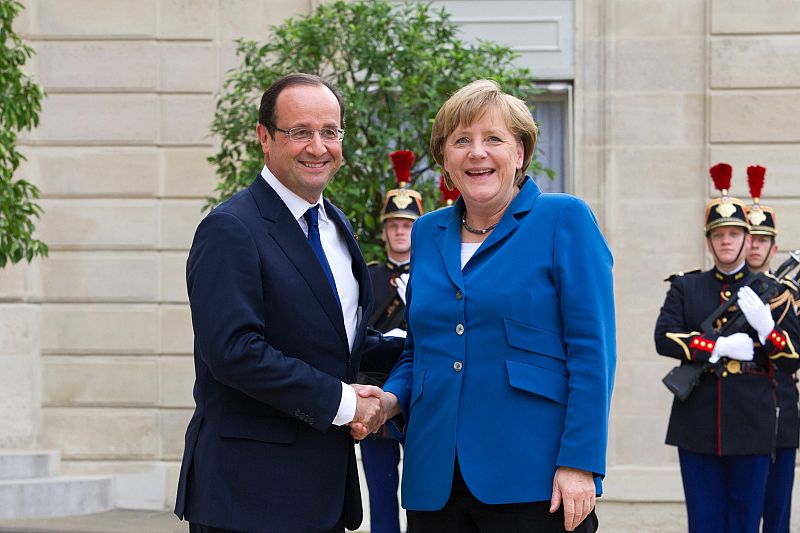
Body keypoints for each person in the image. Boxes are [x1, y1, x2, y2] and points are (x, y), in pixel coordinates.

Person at [354, 79, 616, 533]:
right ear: (446, 161)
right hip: (433, 478)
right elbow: (420, 349)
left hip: (534, 477)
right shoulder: (427, 232)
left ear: (519, 154)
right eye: (461, 141)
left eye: (493, 138)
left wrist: (580, 462)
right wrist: (390, 400)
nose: (477, 152)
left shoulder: (563, 218)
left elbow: (593, 353)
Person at [174, 73, 401, 533]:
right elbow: (234, 352)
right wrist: (344, 402)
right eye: (300, 132)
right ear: (264, 137)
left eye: (330, 132)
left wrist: (434, 351)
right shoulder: (230, 229)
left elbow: (343, 340)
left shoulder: (337, 225)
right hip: (247, 497)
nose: (318, 147)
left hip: (322, 495)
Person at [654, 162, 800, 533]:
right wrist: (715, 347)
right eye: (719, 234)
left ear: (746, 237)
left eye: (735, 233)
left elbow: (791, 359)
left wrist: (768, 330)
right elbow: (664, 336)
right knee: (704, 522)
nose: (727, 241)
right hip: (698, 421)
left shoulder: (774, 292)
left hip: (754, 423)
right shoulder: (687, 287)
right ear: (708, 240)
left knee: (745, 522)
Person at [359, 149, 425, 533]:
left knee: (420, 494)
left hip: (417, 396)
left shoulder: (432, 275)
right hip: (374, 390)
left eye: (407, 224)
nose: (400, 231)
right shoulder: (367, 276)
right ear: (384, 230)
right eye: (394, 224)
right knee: (381, 495)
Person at [744, 165, 800, 533]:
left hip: (780, 413)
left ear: (773, 248)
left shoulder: (788, 296)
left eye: (762, 240)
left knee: (776, 514)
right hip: (735, 413)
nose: (754, 246)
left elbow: (795, 352)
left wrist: (769, 328)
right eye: (749, 238)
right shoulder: (715, 290)